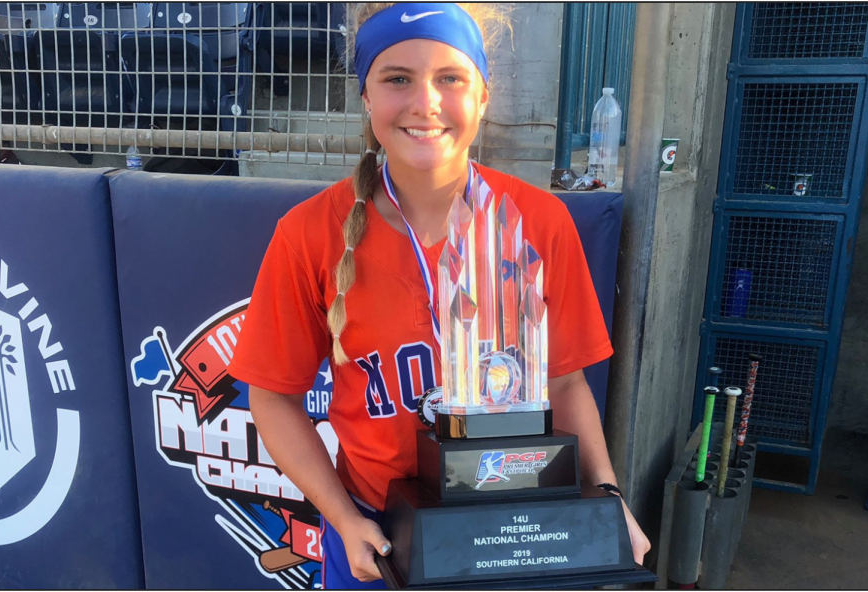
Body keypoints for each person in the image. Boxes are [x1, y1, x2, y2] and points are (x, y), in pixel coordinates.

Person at [228, 3, 651, 588]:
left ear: (482, 95)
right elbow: (272, 399)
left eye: (449, 78)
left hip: (513, 529)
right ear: (366, 97)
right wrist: (344, 519)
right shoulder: (309, 234)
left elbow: (564, 382)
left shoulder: (539, 223)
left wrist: (607, 500)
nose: (425, 102)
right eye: (396, 78)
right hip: (379, 533)